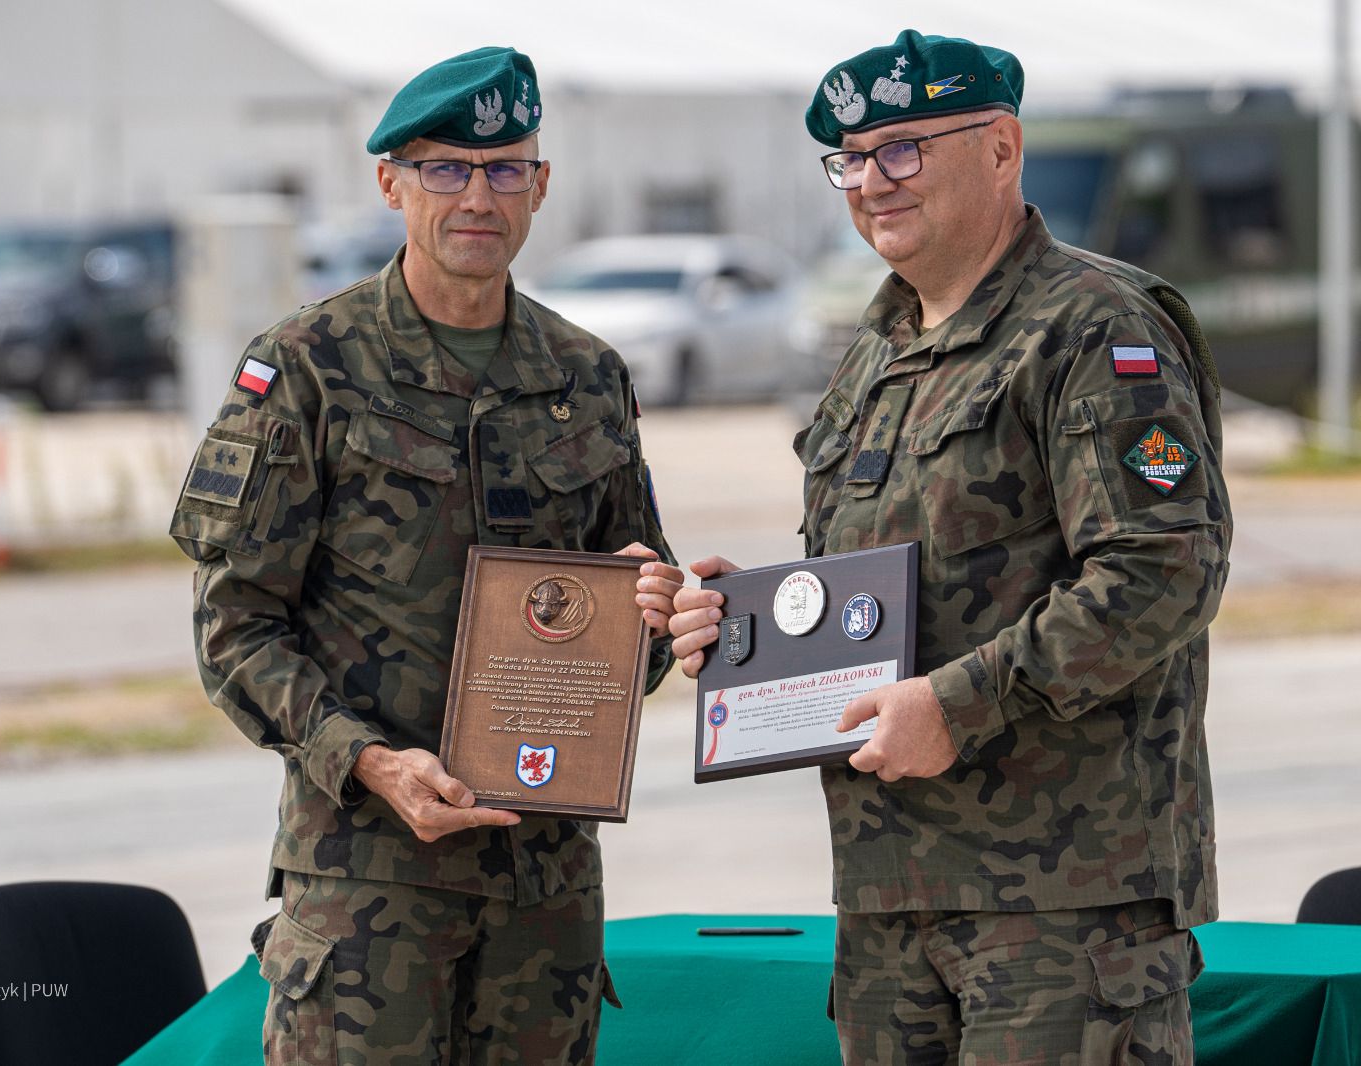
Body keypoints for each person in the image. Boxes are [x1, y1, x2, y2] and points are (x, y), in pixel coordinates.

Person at [667, 28, 1230, 1064]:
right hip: (890, 894)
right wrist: (753, 624)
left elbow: (1162, 570)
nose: (870, 182)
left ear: (1001, 148)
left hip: (1063, 903)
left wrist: (958, 705)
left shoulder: (1094, 327)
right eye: (850, 159)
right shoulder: (877, 350)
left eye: (902, 150)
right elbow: (885, 592)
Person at [168, 46, 682, 1065]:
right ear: (390, 183)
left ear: (540, 185)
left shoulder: (585, 374)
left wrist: (663, 618)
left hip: (543, 891)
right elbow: (235, 628)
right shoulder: (308, 367)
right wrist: (369, 762)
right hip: (370, 885)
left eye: (504, 169)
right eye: (445, 168)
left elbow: (634, 611)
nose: (477, 197)